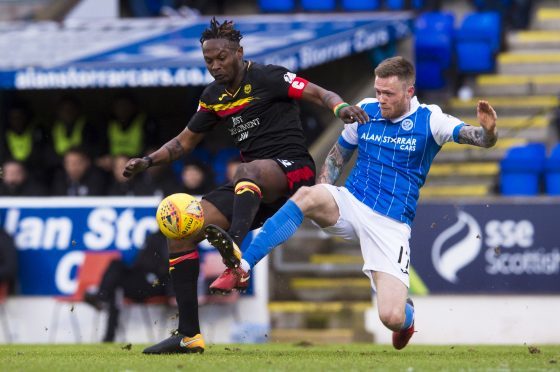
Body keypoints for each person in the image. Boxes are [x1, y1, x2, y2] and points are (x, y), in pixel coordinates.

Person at [209, 56, 499, 350]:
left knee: (391, 316)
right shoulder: (367, 110)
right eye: (378, 91)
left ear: (410, 92)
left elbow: (478, 138)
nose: (381, 99)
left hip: (389, 223)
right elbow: (338, 155)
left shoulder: (431, 120)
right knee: (307, 195)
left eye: (389, 94)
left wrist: (488, 132)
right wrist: (324, 189)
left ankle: (407, 318)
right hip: (350, 202)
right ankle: (241, 266)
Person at [123, 17, 368, 354]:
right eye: (208, 60)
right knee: (180, 231)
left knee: (245, 171)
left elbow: (318, 91)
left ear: (239, 52)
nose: (215, 66)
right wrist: (148, 160)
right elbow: (184, 143)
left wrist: (339, 106)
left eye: (221, 58)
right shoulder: (212, 96)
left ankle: (234, 251)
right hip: (251, 190)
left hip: (292, 171)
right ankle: (189, 335)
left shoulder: (268, 76)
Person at [84, 231, 172, 342]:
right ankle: (103, 297)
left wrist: (173, 293)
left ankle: (101, 297)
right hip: (141, 278)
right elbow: (141, 262)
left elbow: (172, 269)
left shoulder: (175, 239)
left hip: (155, 284)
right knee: (115, 268)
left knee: (114, 284)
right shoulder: (153, 237)